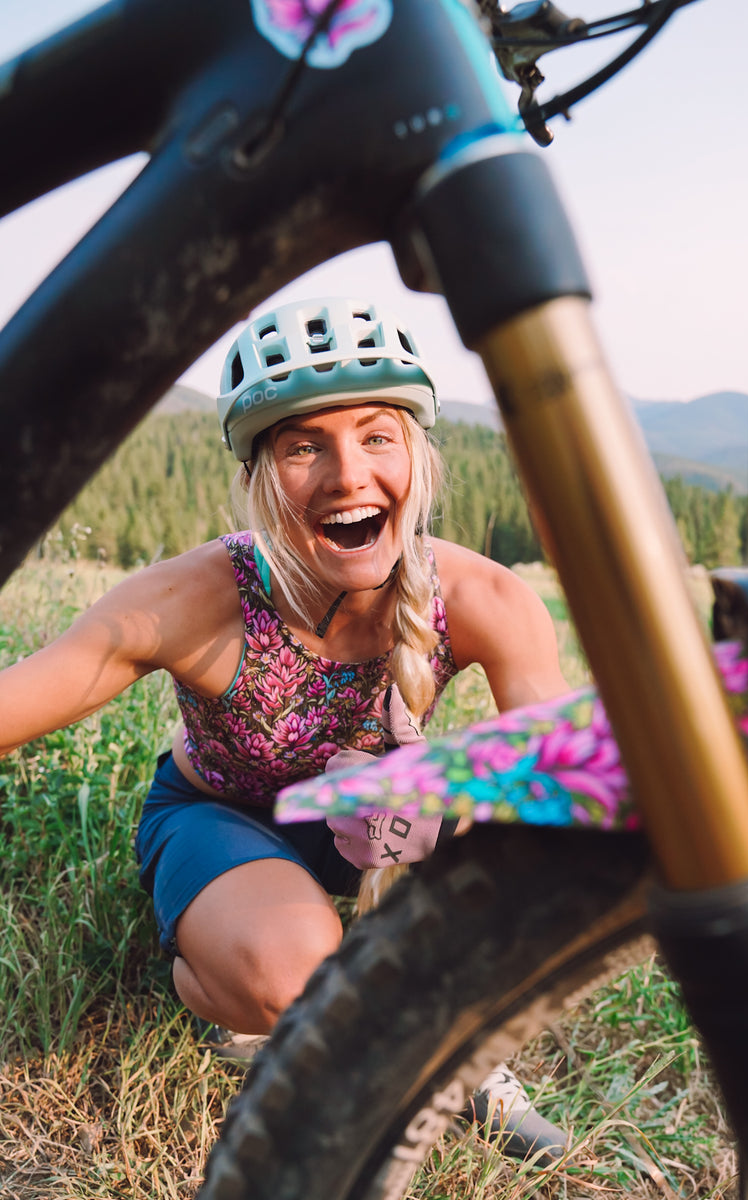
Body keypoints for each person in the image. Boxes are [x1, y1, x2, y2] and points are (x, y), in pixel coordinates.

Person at [0, 296, 569, 1160]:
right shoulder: (195, 600)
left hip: (375, 836)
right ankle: (217, 980)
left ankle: (464, 1049)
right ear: (264, 474)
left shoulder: (488, 599)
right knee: (295, 979)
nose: (347, 476)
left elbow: (560, 784)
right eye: (305, 446)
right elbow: (22, 698)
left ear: (415, 450)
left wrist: (451, 805)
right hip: (217, 816)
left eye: (377, 435)